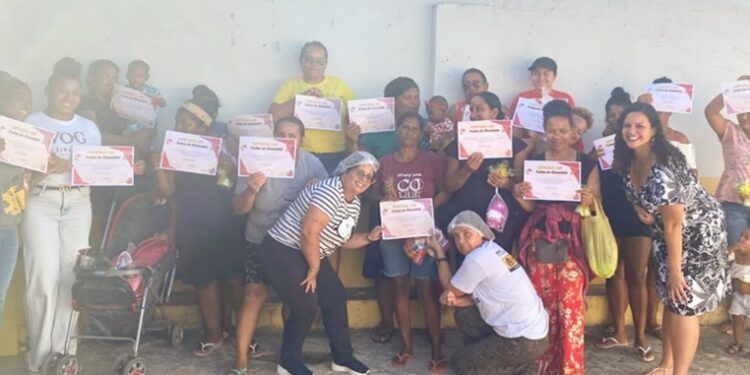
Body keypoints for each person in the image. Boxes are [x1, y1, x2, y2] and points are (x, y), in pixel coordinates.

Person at [613, 102, 730, 375]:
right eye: (627, 126)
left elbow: (676, 223)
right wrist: (644, 211)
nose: (632, 131)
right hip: (668, 234)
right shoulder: (630, 160)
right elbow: (643, 200)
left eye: (640, 126)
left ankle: (681, 372)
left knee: (684, 302)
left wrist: (676, 270)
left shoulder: (665, 166)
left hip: (700, 233)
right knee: (670, 298)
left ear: (654, 130)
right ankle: (666, 366)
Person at [259, 151, 381, 375]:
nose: (364, 178)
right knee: (305, 305)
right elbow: (308, 232)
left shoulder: (353, 203)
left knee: (335, 298)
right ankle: (288, 361)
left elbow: (341, 238)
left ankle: (342, 358)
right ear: (346, 170)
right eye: (359, 172)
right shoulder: (329, 191)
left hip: (307, 251)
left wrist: (369, 238)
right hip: (282, 250)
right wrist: (314, 268)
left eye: (369, 176)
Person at [227, 116, 328, 375]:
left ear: (301, 140)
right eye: (280, 133)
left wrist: (316, 191)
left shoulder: (312, 163)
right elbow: (239, 209)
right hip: (259, 239)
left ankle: (289, 357)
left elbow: (329, 202)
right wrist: (250, 191)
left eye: (291, 135)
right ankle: (240, 361)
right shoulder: (256, 160)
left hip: (293, 244)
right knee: (253, 295)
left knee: (293, 300)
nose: (285, 138)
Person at [22, 59, 103, 373]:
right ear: (48, 91)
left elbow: (97, 170)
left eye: (74, 93)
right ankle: (41, 359)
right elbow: (21, 178)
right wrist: (45, 169)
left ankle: (66, 357)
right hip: (41, 203)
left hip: (79, 204)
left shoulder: (88, 127)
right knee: (42, 280)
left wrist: (122, 169)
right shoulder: (32, 122)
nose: (68, 99)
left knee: (72, 279)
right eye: (61, 92)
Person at [152, 89, 244, 358]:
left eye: (187, 123)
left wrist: (228, 166)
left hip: (225, 221)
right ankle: (212, 336)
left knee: (234, 277)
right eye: (177, 122)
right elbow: (168, 192)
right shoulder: (169, 150)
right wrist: (158, 167)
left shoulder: (223, 147)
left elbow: (233, 185)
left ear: (204, 126)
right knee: (205, 280)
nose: (180, 127)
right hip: (192, 223)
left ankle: (243, 336)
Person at [513, 100, 599, 375]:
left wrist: (589, 201)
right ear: (545, 131)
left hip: (571, 243)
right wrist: (520, 195)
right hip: (540, 242)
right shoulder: (535, 163)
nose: (558, 136)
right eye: (552, 130)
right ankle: (542, 367)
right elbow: (532, 209)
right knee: (543, 307)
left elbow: (595, 209)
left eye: (563, 130)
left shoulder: (586, 164)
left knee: (571, 310)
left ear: (574, 132)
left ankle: (570, 368)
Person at [373, 112, 448, 371]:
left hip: (423, 235)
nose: (408, 132)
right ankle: (406, 346)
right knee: (400, 289)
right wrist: (383, 201)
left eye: (414, 129)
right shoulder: (384, 162)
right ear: (397, 131)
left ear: (421, 134)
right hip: (393, 234)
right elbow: (373, 193)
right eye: (404, 127)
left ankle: (437, 348)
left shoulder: (432, 161)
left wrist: (424, 213)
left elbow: (444, 191)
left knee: (427, 291)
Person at [350, 76, 422, 345]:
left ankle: (415, 326)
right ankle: (386, 322)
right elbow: (361, 164)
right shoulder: (376, 132)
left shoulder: (421, 128)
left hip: (418, 213)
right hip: (383, 210)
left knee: (417, 270)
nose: (413, 101)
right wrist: (353, 141)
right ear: (392, 102)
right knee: (383, 271)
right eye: (407, 97)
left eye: (416, 96)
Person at [430, 210, 548, 375]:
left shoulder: (477, 259)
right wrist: (454, 300)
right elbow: (476, 298)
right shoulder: (491, 249)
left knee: (461, 364)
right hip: (535, 334)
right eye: (456, 237)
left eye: (467, 234)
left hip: (523, 340)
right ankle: (489, 358)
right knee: (465, 315)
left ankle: (527, 368)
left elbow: (450, 290)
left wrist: (440, 254)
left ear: (481, 234)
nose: (461, 241)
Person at [596, 88, 655, 362]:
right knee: (613, 274)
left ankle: (640, 338)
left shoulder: (639, 147)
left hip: (638, 220)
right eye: (612, 117)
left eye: (620, 117)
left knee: (636, 276)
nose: (616, 122)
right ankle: (619, 331)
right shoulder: (600, 147)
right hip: (609, 218)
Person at [438, 91, 530, 254]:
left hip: (500, 220)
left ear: (494, 112)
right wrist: (466, 170)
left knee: (498, 264)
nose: (473, 115)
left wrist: (507, 184)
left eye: (480, 109)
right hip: (466, 218)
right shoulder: (459, 143)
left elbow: (522, 188)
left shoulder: (515, 145)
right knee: (467, 266)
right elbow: (449, 187)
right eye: (471, 110)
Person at [704, 76, 750, 345]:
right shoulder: (730, 132)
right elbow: (710, 112)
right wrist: (733, 90)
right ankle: (737, 318)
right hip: (733, 205)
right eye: (741, 109)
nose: (744, 116)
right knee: (737, 258)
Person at [269, 41, 354, 175]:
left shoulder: (338, 84)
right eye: (308, 59)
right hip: (301, 154)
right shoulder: (290, 85)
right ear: (301, 61)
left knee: (330, 195)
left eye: (319, 61)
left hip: (336, 154)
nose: (314, 64)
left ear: (326, 64)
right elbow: (273, 116)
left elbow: (355, 114)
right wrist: (300, 99)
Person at [0, 75, 31, 330]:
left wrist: (44, 169)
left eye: (29, 100)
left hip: (8, 229)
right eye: (20, 97)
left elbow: (22, 190)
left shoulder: (26, 141)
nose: (27, 104)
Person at [637, 77, 697, 171]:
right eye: (657, 98)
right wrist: (637, 106)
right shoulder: (636, 137)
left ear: (673, 108)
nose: (658, 108)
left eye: (666, 99)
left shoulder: (680, 140)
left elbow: (693, 177)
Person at [123, 59, 167, 135]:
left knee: (144, 143)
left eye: (140, 76)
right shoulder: (124, 90)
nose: (136, 79)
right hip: (128, 127)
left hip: (146, 128)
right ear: (127, 76)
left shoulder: (152, 90)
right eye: (133, 76)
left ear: (147, 78)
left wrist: (160, 101)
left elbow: (163, 103)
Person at [725, 228, 750, 355]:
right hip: (739, 296)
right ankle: (737, 343)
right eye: (741, 236)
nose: (742, 240)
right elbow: (723, 257)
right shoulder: (736, 255)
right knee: (737, 319)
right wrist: (732, 249)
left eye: (747, 238)